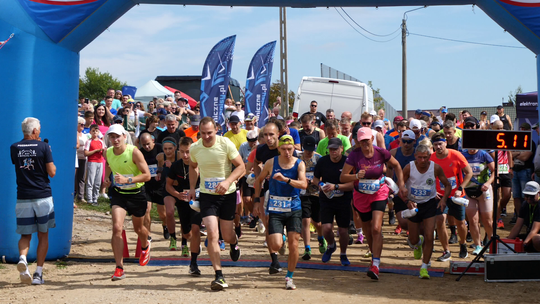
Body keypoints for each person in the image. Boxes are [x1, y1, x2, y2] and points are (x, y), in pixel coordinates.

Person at [340, 127, 406, 280]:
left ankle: (376, 264)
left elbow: (396, 165)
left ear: (372, 139)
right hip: (361, 195)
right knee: (368, 230)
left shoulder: (380, 152)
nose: (364, 143)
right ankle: (374, 256)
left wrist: (401, 185)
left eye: (366, 140)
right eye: (361, 140)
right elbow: (343, 177)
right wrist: (356, 176)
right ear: (357, 141)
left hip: (378, 192)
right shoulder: (353, 156)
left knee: (376, 228)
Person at [187, 117, 244, 290]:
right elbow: (192, 166)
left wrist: (227, 182)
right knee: (212, 234)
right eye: (202, 133)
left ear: (216, 130)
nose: (206, 137)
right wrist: (191, 188)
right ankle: (218, 275)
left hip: (227, 194)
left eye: (209, 133)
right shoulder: (195, 148)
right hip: (207, 195)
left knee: (227, 235)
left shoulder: (225, 143)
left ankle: (234, 244)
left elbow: (241, 167)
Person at [253, 135, 308, 290]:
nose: (287, 152)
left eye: (290, 149)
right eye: (283, 149)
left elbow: (304, 184)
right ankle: (281, 237)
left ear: (293, 148)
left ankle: (289, 277)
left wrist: (286, 180)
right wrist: (257, 201)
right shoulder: (271, 163)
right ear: (278, 149)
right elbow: (259, 180)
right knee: (276, 245)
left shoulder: (299, 164)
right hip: (275, 208)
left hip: (294, 208)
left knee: (294, 245)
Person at [11, 117, 56, 285]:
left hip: (23, 196)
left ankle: (22, 258)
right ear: (35, 131)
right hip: (42, 196)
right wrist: (47, 153)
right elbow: (51, 172)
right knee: (43, 234)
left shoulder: (14, 147)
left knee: (25, 234)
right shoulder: (44, 147)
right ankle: (38, 273)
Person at [103, 124, 152, 281]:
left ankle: (145, 245)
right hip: (119, 194)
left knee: (139, 229)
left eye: (118, 136)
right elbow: (109, 164)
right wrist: (106, 178)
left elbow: (147, 176)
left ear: (125, 136)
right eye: (112, 136)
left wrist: (127, 180)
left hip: (137, 194)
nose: (115, 139)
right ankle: (119, 268)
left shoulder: (134, 152)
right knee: (117, 228)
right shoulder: (108, 152)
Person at [403, 145, 452, 279]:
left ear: (429, 157)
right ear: (415, 157)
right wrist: (407, 200)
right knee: (413, 240)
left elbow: (447, 184)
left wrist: (443, 200)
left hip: (429, 204)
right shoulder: (409, 167)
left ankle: (424, 267)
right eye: (420, 157)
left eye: (425, 157)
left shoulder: (435, 168)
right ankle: (418, 243)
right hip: (414, 205)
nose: (423, 160)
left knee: (429, 236)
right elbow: (400, 184)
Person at [430, 133, 473, 261]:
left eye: (440, 144)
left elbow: (469, 173)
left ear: (446, 143)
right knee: (440, 220)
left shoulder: (456, 155)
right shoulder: (431, 158)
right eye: (435, 144)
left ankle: (463, 244)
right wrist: (433, 190)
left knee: (460, 223)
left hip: (456, 195)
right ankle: (446, 250)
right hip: (440, 195)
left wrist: (461, 188)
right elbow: (428, 177)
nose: (438, 147)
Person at [313, 138, 354, 266]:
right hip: (327, 199)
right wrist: (320, 184)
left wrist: (336, 187)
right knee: (326, 229)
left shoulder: (347, 163)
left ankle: (343, 254)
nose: (333, 152)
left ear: (341, 149)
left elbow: (353, 184)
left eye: (335, 149)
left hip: (343, 200)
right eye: (331, 149)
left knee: (343, 231)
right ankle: (331, 245)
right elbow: (315, 179)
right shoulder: (323, 161)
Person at [166, 137, 203, 275]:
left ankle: (193, 263)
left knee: (195, 228)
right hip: (183, 201)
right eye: (182, 152)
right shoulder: (176, 166)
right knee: (187, 233)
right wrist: (176, 194)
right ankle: (194, 243)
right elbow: (168, 185)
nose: (185, 155)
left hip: (198, 200)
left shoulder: (200, 163)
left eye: (188, 152)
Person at [461, 120, 495, 255]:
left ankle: (493, 244)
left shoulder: (483, 154)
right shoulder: (462, 155)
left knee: (487, 220)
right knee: (473, 220)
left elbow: (495, 171)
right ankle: (478, 245)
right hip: (468, 191)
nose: (472, 148)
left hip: (484, 190)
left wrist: (488, 183)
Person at [297, 136, 324, 260]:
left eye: (311, 149)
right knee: (305, 220)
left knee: (317, 222)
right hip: (303, 194)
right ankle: (307, 248)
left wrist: (314, 181)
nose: (308, 152)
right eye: (306, 149)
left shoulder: (319, 158)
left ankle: (320, 237)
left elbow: (324, 176)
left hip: (316, 193)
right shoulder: (298, 159)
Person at [387, 130, 417, 235]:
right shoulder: (394, 153)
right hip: (399, 190)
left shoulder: (418, 153)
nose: (406, 144)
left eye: (409, 142)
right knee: (403, 223)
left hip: (415, 190)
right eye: (404, 141)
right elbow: (389, 169)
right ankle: (417, 232)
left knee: (415, 217)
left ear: (414, 141)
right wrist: (389, 186)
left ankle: (418, 235)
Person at [139, 133, 168, 240]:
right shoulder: (140, 152)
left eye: (148, 144)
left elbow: (166, 161)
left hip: (160, 185)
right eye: (143, 145)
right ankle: (148, 234)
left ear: (153, 141)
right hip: (147, 185)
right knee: (147, 210)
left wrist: (161, 171)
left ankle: (165, 226)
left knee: (162, 214)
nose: (146, 147)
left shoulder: (160, 148)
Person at [511, 123, 537, 224]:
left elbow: (525, 157)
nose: (522, 130)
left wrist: (516, 154)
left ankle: (526, 218)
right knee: (516, 196)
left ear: (528, 130)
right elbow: (510, 154)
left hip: (525, 171)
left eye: (524, 129)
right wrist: (519, 153)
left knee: (525, 196)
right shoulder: (515, 142)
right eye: (521, 128)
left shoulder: (531, 143)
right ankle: (519, 217)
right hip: (516, 171)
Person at [491, 120, 514, 229]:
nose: (500, 130)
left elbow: (509, 153)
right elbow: (491, 155)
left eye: (501, 128)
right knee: (497, 195)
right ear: (493, 128)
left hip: (506, 169)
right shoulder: (490, 139)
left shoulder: (506, 137)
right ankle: (498, 218)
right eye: (498, 128)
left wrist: (511, 168)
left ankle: (497, 211)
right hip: (496, 170)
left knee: (507, 195)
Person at [508, 181, 540, 252]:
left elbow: (535, 230)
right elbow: (517, 226)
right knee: (508, 240)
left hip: (536, 235)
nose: (528, 199)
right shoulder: (525, 204)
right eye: (526, 196)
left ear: (539, 193)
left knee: (537, 239)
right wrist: (507, 243)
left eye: (531, 196)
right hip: (530, 234)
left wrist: (524, 244)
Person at [84, 125, 106, 206]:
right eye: (93, 131)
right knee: (90, 181)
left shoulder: (101, 142)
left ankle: (95, 198)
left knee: (97, 181)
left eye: (96, 131)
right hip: (92, 162)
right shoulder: (89, 141)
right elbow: (86, 153)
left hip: (100, 162)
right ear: (90, 132)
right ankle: (89, 199)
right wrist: (95, 151)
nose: (95, 133)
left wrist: (104, 152)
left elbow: (104, 153)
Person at [76, 117, 88, 204]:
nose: (83, 126)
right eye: (81, 124)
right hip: (75, 157)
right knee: (73, 177)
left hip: (83, 158)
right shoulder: (73, 134)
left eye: (84, 124)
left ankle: (81, 196)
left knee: (81, 177)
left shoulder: (85, 135)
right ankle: (73, 195)